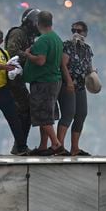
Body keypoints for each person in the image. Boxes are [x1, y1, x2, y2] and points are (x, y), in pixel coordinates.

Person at [23, 11, 73, 156]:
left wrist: (27, 55)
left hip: (43, 81)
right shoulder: (56, 38)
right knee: (46, 113)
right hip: (53, 80)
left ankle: (56, 144)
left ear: (38, 23)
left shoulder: (43, 40)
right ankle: (43, 146)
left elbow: (40, 60)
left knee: (42, 114)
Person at [5, 8, 40, 154]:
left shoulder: (29, 36)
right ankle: (20, 146)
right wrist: (28, 55)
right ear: (30, 22)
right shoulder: (18, 33)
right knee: (24, 111)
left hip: (19, 79)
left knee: (25, 111)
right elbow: (11, 51)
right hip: (12, 79)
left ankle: (19, 145)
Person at [58, 21, 94, 156]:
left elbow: (88, 66)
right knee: (68, 114)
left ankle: (75, 148)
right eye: (73, 30)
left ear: (85, 33)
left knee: (81, 114)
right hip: (68, 85)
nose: (76, 33)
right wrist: (68, 82)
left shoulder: (87, 49)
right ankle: (59, 146)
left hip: (80, 85)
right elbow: (63, 65)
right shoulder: (67, 45)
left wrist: (93, 74)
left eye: (79, 31)